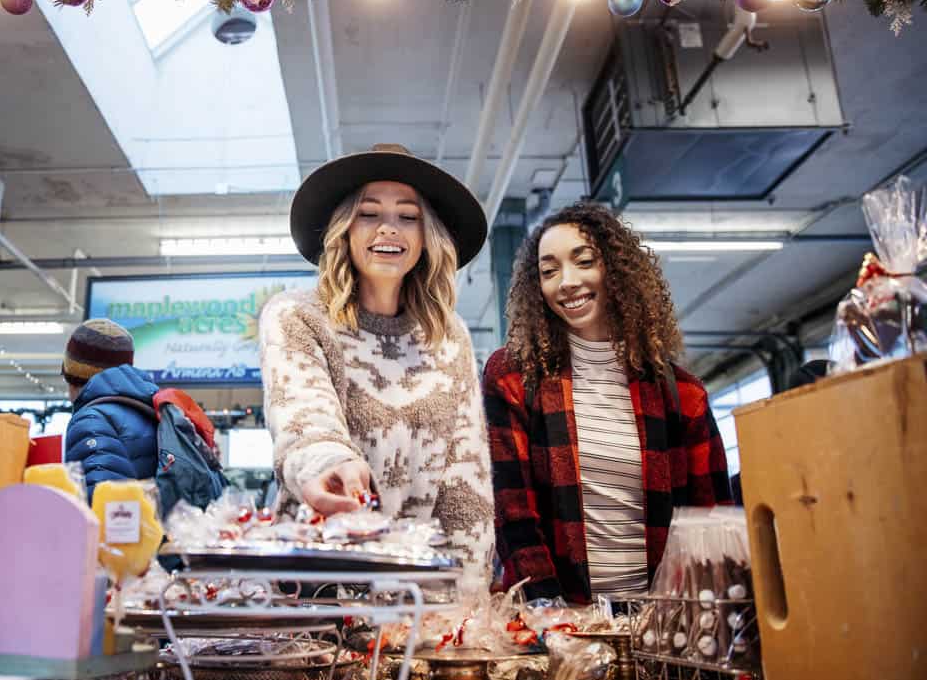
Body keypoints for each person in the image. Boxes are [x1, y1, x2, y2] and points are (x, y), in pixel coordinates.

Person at [259, 143, 495, 589]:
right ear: (344, 230)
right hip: (315, 588)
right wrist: (330, 463)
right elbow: (305, 419)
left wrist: (468, 603)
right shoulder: (296, 316)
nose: (390, 228)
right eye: (369, 214)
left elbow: (466, 483)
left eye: (408, 217)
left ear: (428, 237)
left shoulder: (450, 336)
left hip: (413, 596)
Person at [483, 202, 732, 604]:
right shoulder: (514, 376)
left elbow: (711, 521)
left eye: (584, 262)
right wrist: (551, 614)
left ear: (617, 270)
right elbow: (513, 513)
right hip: (562, 628)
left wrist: (695, 619)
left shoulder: (683, 394)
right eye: (549, 271)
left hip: (662, 627)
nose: (566, 282)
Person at [62, 319, 159, 500]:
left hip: (123, 527)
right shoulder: (151, 410)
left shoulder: (91, 421)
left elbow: (102, 507)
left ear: (71, 375)